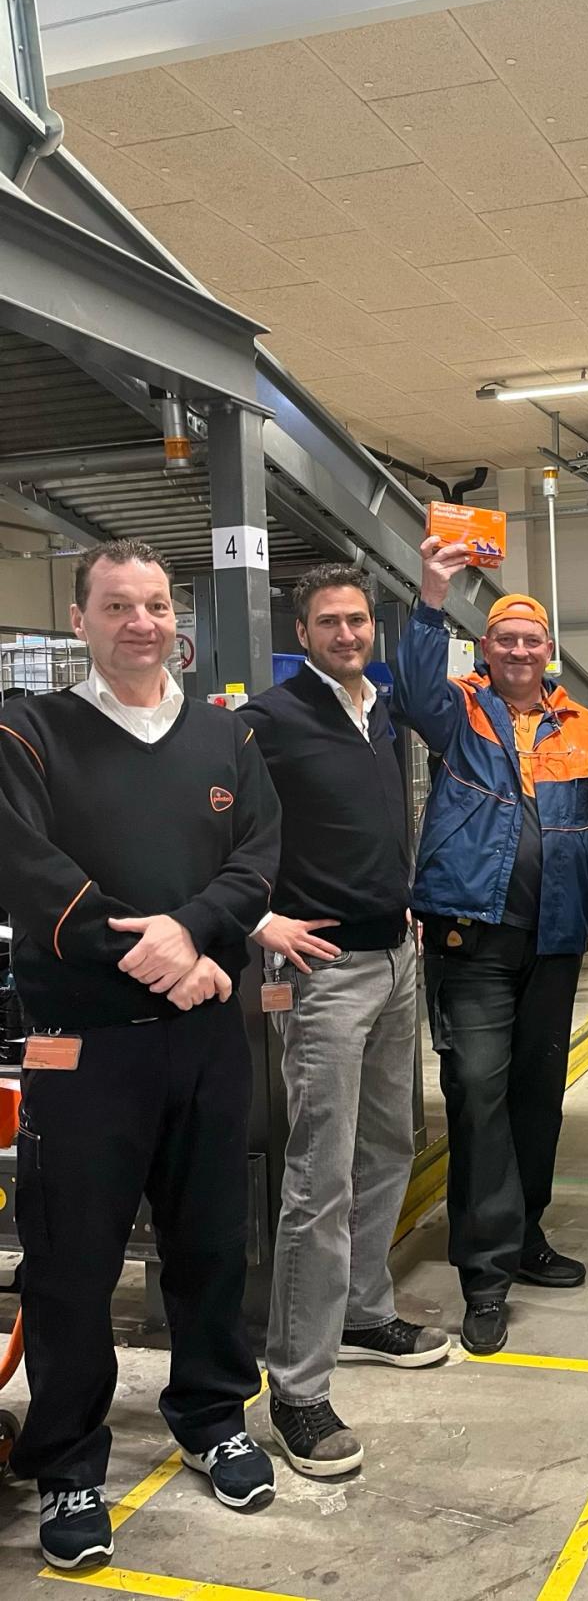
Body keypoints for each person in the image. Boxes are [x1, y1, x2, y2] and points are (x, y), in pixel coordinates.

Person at [0, 539, 281, 1571]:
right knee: (72, 1262)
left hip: (205, 1042)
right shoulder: (29, 731)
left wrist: (194, 933)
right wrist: (162, 956)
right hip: (83, 1049)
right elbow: (28, 870)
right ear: (78, 619)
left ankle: (212, 1415)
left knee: (209, 1242)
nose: (141, 623)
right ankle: (69, 1462)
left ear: (178, 619)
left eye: (156, 605)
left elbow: (258, 856)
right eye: (117, 605)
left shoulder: (223, 735)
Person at [395, 538, 588, 1356]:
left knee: (537, 1095)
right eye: (506, 638)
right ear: (487, 647)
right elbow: (412, 690)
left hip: (556, 938)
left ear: (548, 649)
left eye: (533, 639)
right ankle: (484, 1274)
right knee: (476, 1090)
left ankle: (526, 1234)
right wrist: (432, 597)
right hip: (471, 936)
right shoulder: (459, 711)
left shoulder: (582, 727)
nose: (521, 651)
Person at [239, 564, 450, 1481]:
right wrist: (259, 921)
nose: (347, 633)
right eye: (328, 622)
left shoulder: (382, 712)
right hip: (322, 975)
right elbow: (218, 831)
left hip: (395, 958)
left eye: (358, 619)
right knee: (318, 1180)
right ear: (303, 631)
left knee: (390, 1146)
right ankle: (296, 1385)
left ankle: (364, 1310)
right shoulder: (269, 721)